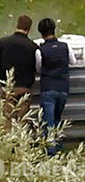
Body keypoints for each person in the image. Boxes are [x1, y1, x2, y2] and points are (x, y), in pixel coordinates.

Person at [35, 18, 76, 155]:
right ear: (54, 30)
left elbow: (38, 68)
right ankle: (58, 147)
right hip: (63, 88)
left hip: (48, 88)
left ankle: (51, 153)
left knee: (48, 122)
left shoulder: (40, 50)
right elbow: (73, 62)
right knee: (57, 119)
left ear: (41, 32)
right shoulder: (65, 46)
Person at [0, 15, 38, 126]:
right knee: (21, 123)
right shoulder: (32, 46)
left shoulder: (3, 42)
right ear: (29, 29)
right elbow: (37, 66)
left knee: (7, 121)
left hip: (8, 88)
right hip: (24, 88)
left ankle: (8, 137)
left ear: (17, 25)